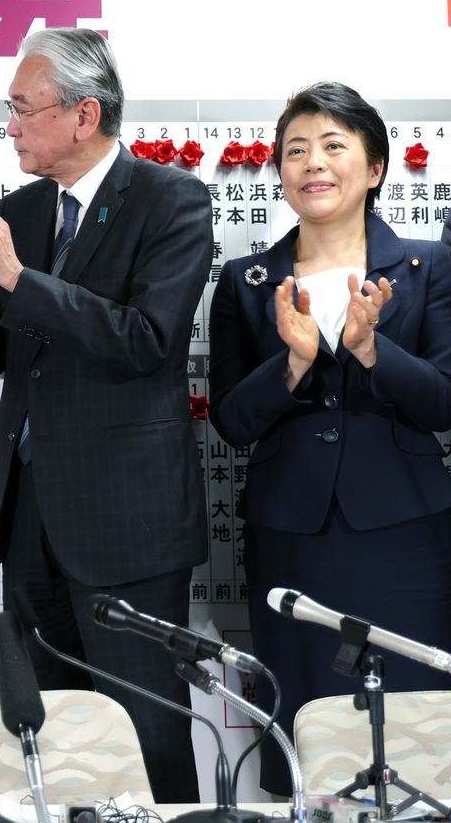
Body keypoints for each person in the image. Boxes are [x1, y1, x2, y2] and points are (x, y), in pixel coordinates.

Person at [0, 28, 211, 802]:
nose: (9, 127)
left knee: (145, 734)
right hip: (29, 523)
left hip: (128, 527)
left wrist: (22, 280)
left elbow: (147, 341)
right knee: (45, 735)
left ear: (83, 117)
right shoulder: (23, 208)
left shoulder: (171, 200)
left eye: (23, 109)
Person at [209, 82, 451, 796]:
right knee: (308, 737)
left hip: (406, 535)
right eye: (296, 150)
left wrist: (375, 351)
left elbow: (443, 403)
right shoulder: (247, 281)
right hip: (293, 537)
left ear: (374, 167)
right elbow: (230, 421)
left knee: (416, 739)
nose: (314, 163)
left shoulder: (427, 267)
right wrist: (293, 361)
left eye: (334, 146)